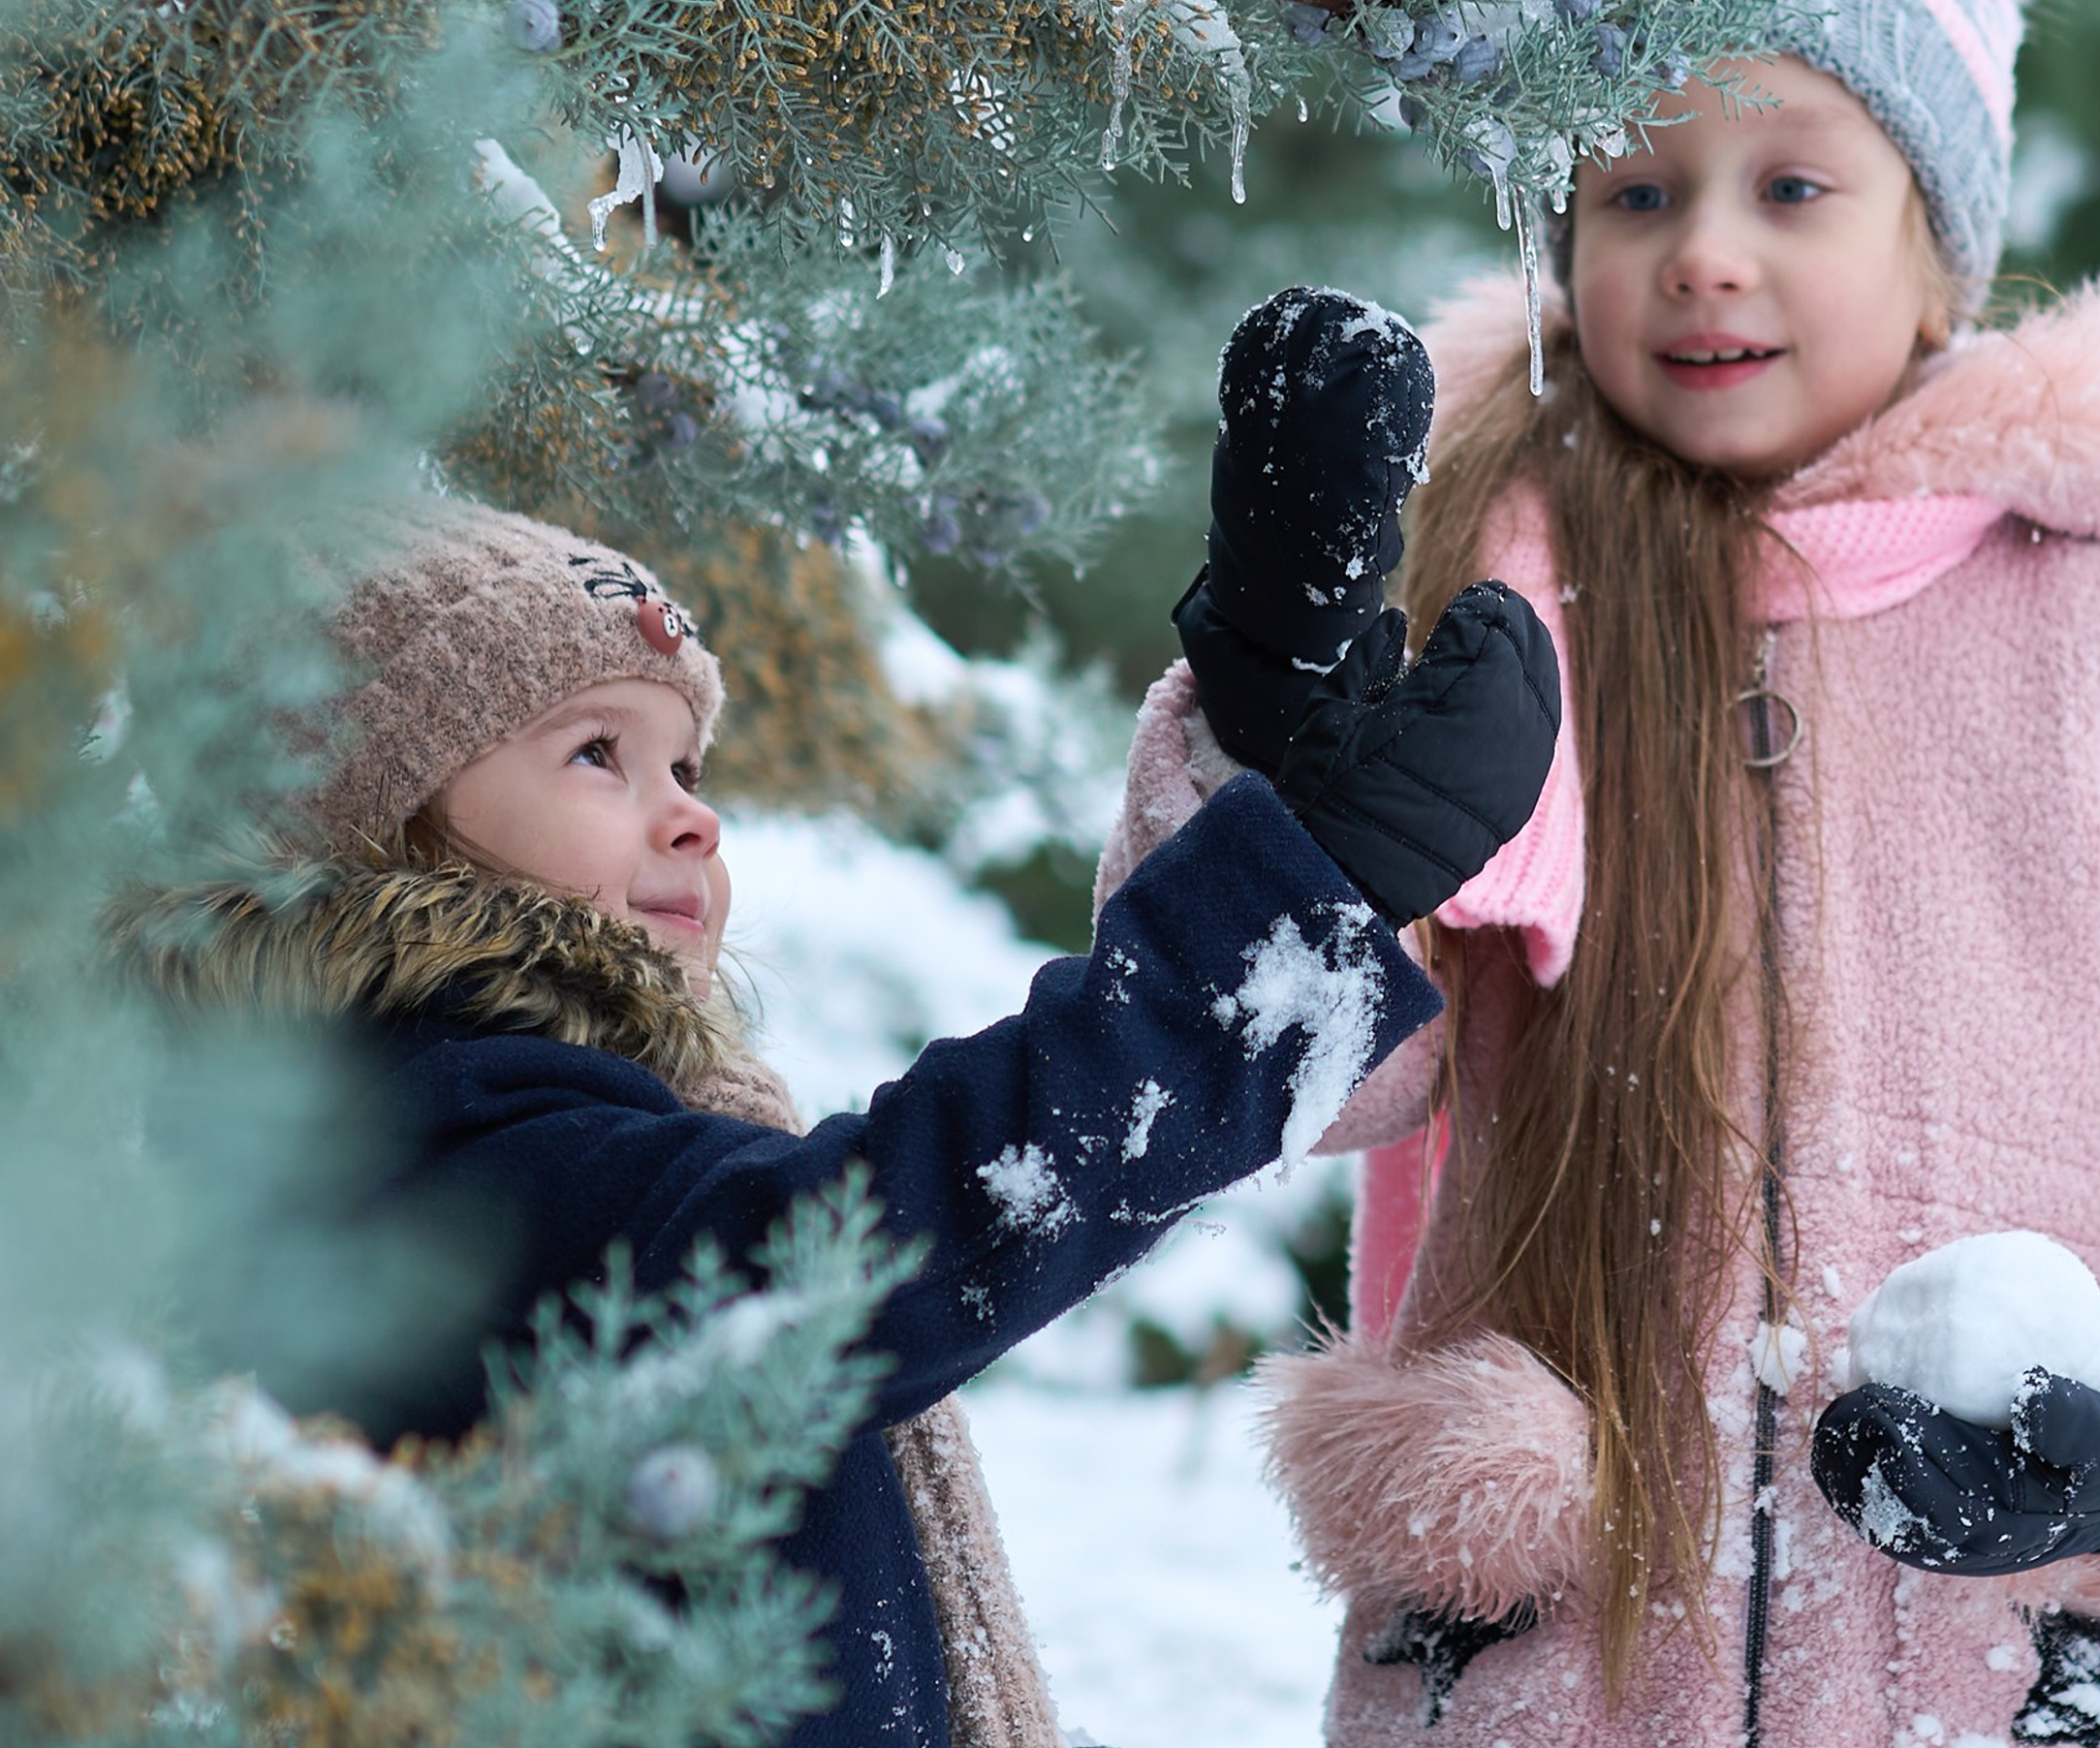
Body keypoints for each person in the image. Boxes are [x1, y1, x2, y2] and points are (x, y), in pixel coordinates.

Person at [1113, 0, 2100, 1747]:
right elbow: (1244, 1067)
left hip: (2002, 1673)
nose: (1704, 249)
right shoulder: (1487, 614)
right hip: (1544, 1672)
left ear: (1937, 256)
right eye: (1636, 185)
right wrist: (1267, 746)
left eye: (1792, 181)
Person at [113, 499, 1560, 1748]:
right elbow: (863, 1246)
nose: (692, 819)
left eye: (689, 767)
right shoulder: (431, 1154)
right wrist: (1268, 934)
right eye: (596, 755)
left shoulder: (545, 1122)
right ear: (362, 825)